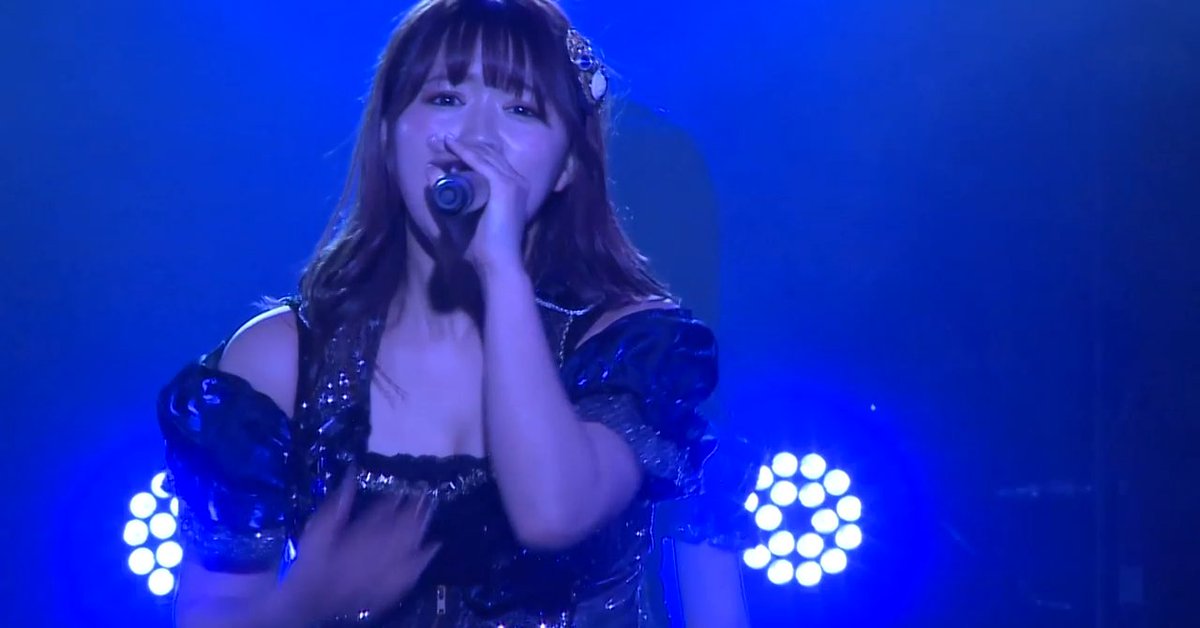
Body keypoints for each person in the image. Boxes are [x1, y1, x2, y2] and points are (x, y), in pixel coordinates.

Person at [157, 0, 758, 625]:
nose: (473, 140)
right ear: (388, 134)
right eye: (445, 99)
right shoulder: (282, 358)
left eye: (521, 109)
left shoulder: (625, 347)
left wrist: (499, 268)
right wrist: (305, 606)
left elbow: (553, 511)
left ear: (567, 166)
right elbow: (214, 607)